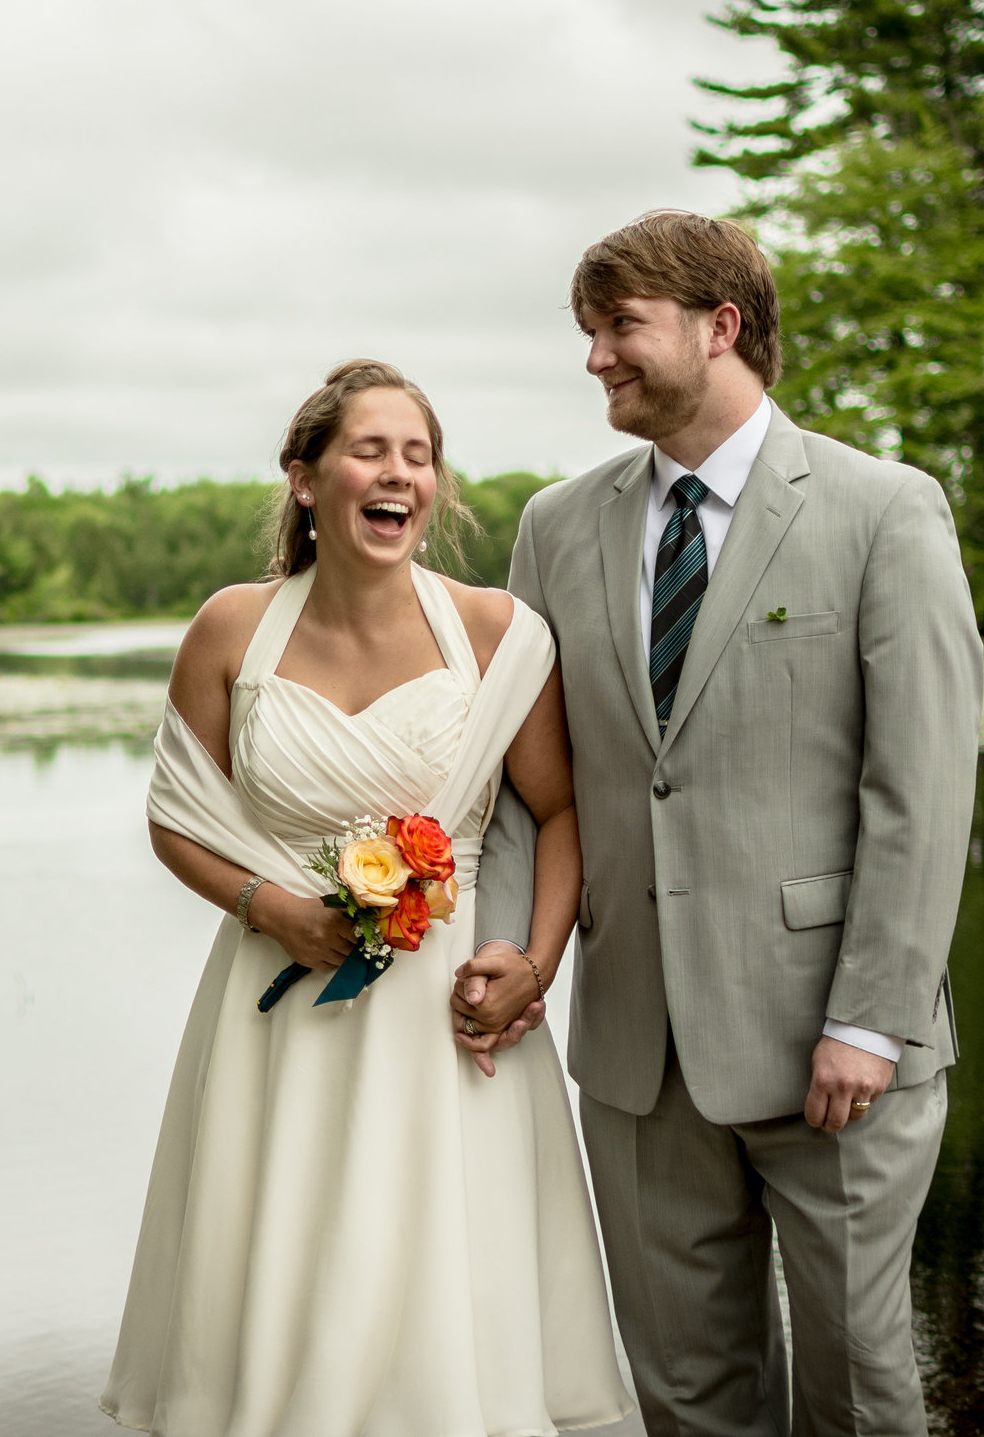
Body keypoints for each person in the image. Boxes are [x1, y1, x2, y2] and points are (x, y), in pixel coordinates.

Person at [456, 211, 982, 1437]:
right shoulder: (555, 525)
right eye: (587, 333)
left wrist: (871, 1016)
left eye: (618, 328)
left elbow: (921, 787)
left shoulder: (884, 510)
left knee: (857, 1393)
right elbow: (529, 791)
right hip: (636, 1052)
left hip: (833, 1050)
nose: (595, 358)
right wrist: (512, 957)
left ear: (720, 325)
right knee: (685, 1396)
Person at [102, 359, 630, 1437]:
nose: (399, 473)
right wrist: (269, 904)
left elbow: (564, 812)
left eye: (419, 454)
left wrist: (531, 965)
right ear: (304, 478)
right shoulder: (229, 631)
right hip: (276, 1008)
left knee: (443, 1299)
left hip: (450, 1016)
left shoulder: (496, 632)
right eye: (369, 449)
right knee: (282, 1267)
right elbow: (174, 816)